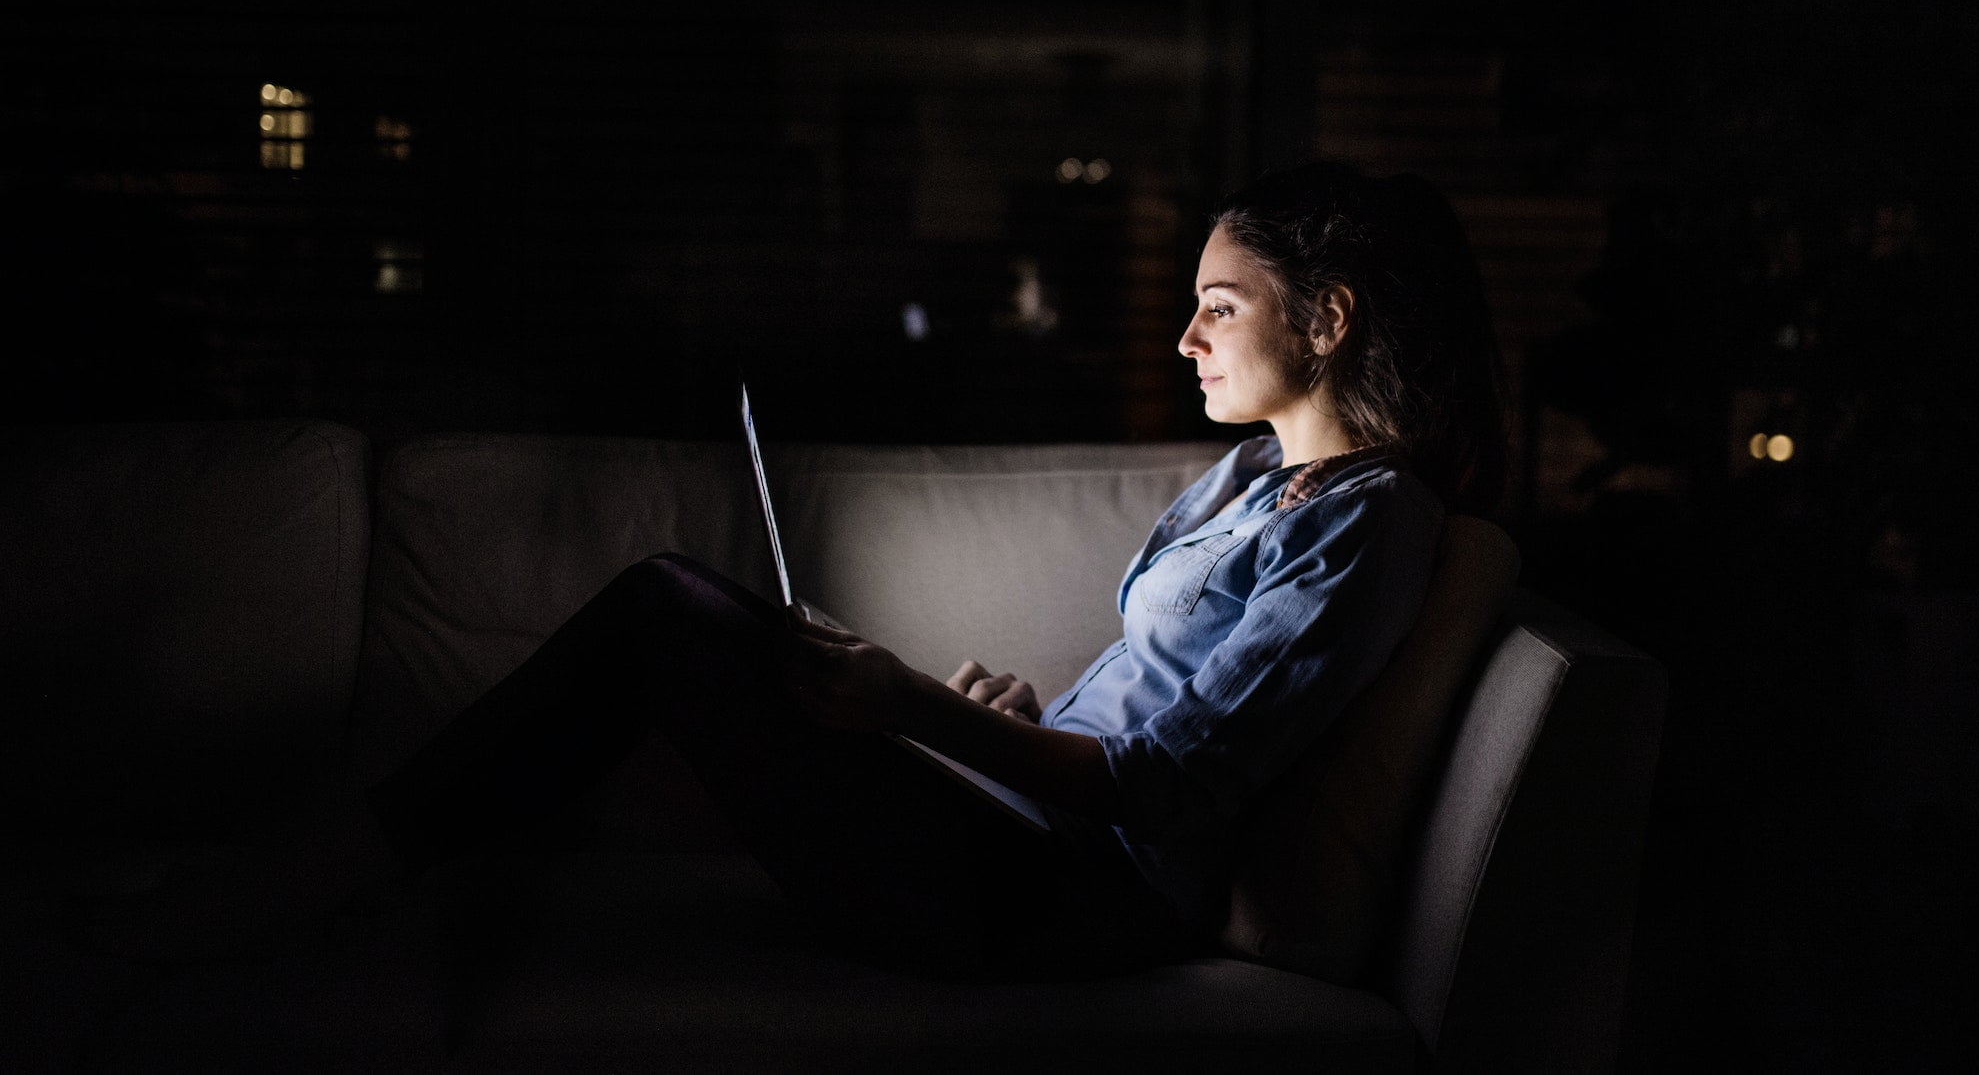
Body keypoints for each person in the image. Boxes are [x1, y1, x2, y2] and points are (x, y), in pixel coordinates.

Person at [96, 160, 1505, 980]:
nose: (1189, 337)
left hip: (1078, 906)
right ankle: (384, 871)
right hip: (1036, 832)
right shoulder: (1253, 479)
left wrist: (907, 709)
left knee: (665, 611)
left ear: (1325, 317)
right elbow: (1126, 724)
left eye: (1220, 304)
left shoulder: (1369, 526)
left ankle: (326, 874)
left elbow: (1169, 786)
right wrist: (1014, 723)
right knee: (689, 641)